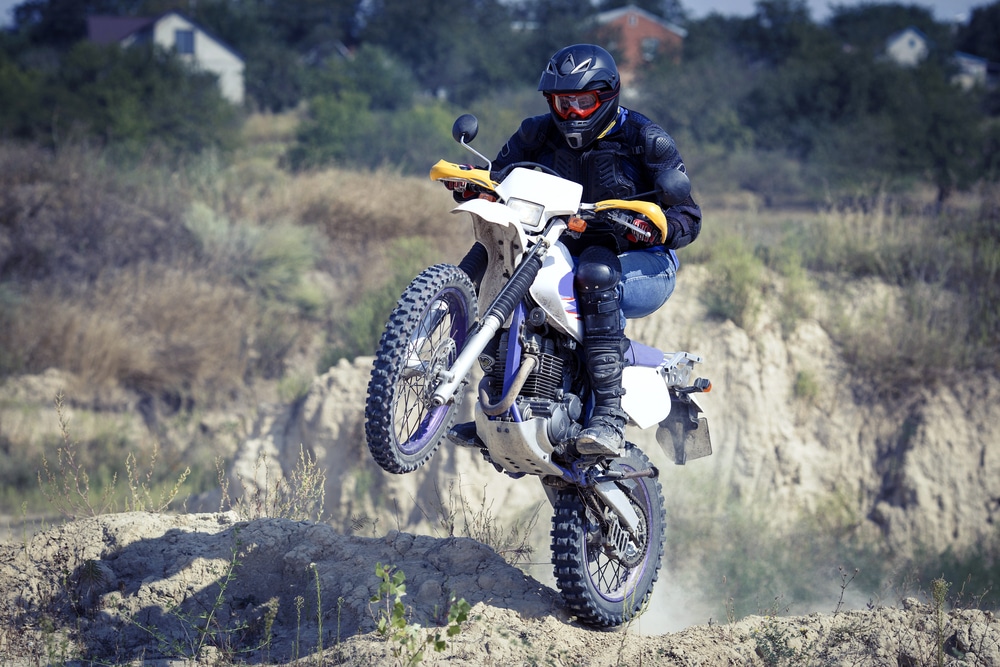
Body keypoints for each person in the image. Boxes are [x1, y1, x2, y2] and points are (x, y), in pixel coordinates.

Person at [451, 43, 702, 458]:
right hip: (558, 243)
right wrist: (476, 181)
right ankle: (501, 400)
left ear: (606, 96)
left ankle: (608, 418)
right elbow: (499, 179)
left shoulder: (645, 139)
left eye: (583, 101)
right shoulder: (535, 133)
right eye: (562, 102)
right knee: (507, 260)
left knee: (595, 275)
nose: (572, 113)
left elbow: (689, 216)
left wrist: (654, 228)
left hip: (641, 261)